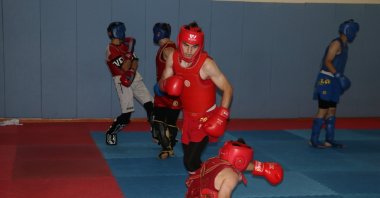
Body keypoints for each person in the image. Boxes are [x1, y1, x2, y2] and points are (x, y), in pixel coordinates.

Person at [159, 21, 233, 173]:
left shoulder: (207, 64)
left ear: (200, 46)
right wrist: (166, 85)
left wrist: (221, 115)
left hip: (206, 117)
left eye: (194, 47)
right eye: (186, 45)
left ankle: (210, 185)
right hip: (187, 117)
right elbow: (161, 83)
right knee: (191, 158)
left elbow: (227, 88)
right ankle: (208, 181)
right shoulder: (173, 57)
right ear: (180, 41)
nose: (189, 51)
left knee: (189, 162)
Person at [310, 19, 360, 148]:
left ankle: (329, 140)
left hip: (334, 81)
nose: (354, 34)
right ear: (348, 31)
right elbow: (327, 61)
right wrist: (338, 76)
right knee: (323, 110)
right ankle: (313, 139)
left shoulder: (345, 46)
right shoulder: (336, 44)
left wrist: (338, 79)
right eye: (354, 31)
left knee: (332, 111)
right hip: (326, 79)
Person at [105, 21, 154, 145]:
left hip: (134, 77)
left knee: (151, 105)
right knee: (126, 116)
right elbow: (125, 68)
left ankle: (156, 131)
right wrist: (129, 54)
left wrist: (132, 69)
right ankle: (111, 132)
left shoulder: (125, 44)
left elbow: (135, 61)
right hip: (122, 81)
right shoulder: (110, 50)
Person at [185, 139, 284, 198]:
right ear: (241, 160)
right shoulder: (231, 176)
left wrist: (263, 168)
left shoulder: (215, 160)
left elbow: (240, 164)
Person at [152, 22, 182, 159]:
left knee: (168, 122)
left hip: (171, 91)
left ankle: (168, 147)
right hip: (162, 90)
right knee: (159, 121)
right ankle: (167, 147)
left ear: (158, 33)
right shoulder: (167, 47)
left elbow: (178, 64)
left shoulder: (168, 49)